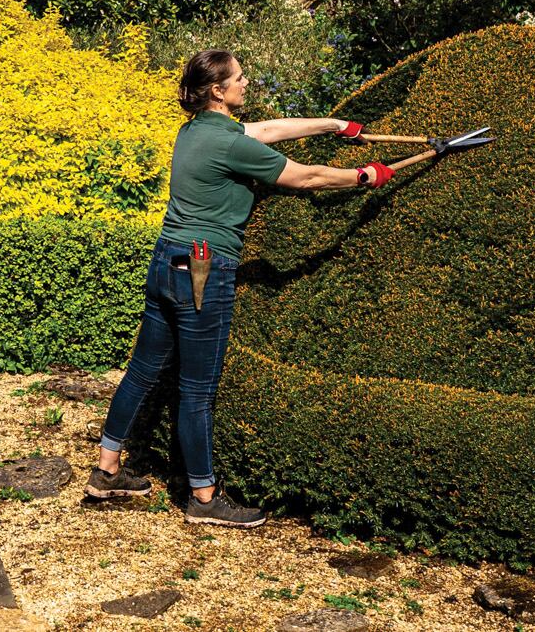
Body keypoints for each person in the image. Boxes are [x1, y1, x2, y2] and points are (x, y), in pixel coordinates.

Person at [85, 49, 400, 526]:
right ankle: (205, 499)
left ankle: (106, 472)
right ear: (218, 90)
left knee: (143, 371)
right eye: (239, 77)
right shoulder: (231, 143)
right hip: (204, 270)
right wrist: (363, 176)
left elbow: (268, 130)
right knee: (197, 390)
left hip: (167, 258)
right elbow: (306, 176)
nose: (246, 82)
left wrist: (334, 125)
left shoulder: (195, 131)